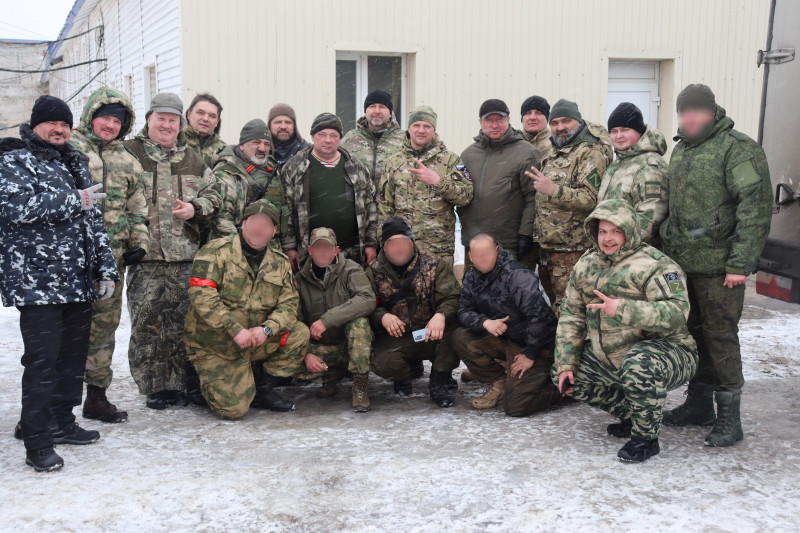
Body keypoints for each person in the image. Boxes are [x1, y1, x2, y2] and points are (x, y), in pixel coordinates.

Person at [0, 95, 118, 472]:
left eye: (65, 125)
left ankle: (63, 422)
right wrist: (74, 199)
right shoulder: (15, 160)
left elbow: (94, 220)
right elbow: (16, 208)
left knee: (71, 360)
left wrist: (106, 268)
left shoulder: (74, 162)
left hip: (77, 280)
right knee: (42, 362)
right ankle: (37, 441)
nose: (59, 130)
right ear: (35, 125)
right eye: (52, 123)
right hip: (37, 282)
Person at [660, 84, 772, 447]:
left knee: (721, 339)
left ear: (712, 112)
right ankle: (698, 405)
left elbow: (755, 209)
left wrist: (740, 263)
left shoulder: (737, 149)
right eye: (683, 111)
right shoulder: (681, 150)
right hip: (685, 267)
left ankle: (729, 419)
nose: (689, 117)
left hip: (721, 271)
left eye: (696, 110)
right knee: (694, 338)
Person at [554, 199, 698, 462]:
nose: (607, 238)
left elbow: (678, 312)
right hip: (612, 355)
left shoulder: (658, 265)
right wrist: (566, 362)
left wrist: (623, 309)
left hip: (671, 353)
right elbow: (571, 314)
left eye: (616, 231)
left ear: (629, 231)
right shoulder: (586, 264)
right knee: (563, 373)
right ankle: (634, 416)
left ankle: (646, 438)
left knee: (638, 364)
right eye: (602, 231)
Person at [124, 92, 221, 410]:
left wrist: (195, 208)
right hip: (146, 258)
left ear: (180, 124)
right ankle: (154, 386)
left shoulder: (192, 159)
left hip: (184, 257)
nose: (166, 125)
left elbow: (215, 195)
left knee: (181, 323)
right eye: (161, 118)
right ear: (149, 119)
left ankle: (179, 384)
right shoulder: (130, 153)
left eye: (172, 120)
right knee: (147, 323)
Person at [184, 200, 309, 419]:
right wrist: (233, 329)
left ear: (274, 231)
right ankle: (201, 377)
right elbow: (201, 296)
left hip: (254, 339)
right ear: (243, 224)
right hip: (217, 343)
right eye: (254, 222)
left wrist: (267, 329)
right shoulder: (215, 251)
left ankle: (261, 388)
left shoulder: (279, 262)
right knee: (233, 410)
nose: (259, 229)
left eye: (266, 225)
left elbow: (289, 305)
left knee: (298, 333)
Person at [69, 86, 151, 423]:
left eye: (117, 121)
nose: (110, 125)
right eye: (105, 118)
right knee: (63, 331)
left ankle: (96, 398)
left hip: (111, 263)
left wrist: (139, 241)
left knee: (103, 330)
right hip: (69, 260)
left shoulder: (128, 161)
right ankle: (46, 406)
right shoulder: (69, 148)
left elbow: (137, 209)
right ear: (91, 115)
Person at [452, 233, 561, 416]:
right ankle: (499, 379)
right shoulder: (472, 277)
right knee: (460, 336)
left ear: (497, 250)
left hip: (536, 345)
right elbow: (463, 311)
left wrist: (530, 355)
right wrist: (485, 322)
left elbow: (540, 318)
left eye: (487, 253)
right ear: (470, 256)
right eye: (477, 254)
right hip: (507, 339)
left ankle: (564, 387)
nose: (482, 258)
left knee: (516, 406)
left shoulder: (517, 276)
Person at [526, 99, 613, 315]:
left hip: (573, 250)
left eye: (566, 121)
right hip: (551, 248)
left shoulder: (590, 152)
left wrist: (553, 190)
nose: (560, 127)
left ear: (579, 122)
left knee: (570, 311)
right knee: (557, 307)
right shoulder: (558, 149)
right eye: (555, 123)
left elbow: (591, 199)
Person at [367, 217, 461, 407]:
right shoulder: (372, 272)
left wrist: (441, 315)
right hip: (398, 337)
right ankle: (404, 374)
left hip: (430, 332)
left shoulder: (434, 264)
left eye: (403, 241)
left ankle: (439, 380)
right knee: (381, 360)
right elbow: (365, 304)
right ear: (384, 247)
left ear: (411, 242)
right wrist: (382, 316)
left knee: (456, 333)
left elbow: (453, 297)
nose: (399, 248)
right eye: (392, 243)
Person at [295, 227, 376, 412]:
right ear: (310, 250)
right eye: (318, 248)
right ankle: (330, 373)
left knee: (359, 324)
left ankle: (360, 386)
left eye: (328, 248)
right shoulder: (300, 279)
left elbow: (367, 299)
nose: (323, 252)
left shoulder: (351, 269)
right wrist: (307, 353)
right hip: (321, 345)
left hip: (351, 344)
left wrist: (327, 320)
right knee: (287, 362)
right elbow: (295, 319)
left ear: (336, 250)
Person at [282, 112, 378, 269]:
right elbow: (286, 209)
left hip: (351, 253)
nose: (328, 140)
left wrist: (370, 243)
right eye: (322, 134)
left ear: (340, 139)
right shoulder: (295, 167)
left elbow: (370, 206)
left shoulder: (356, 166)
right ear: (312, 137)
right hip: (310, 253)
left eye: (333, 135)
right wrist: (289, 247)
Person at [379, 105, 473, 265]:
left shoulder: (452, 160)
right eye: (416, 125)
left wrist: (439, 182)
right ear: (409, 129)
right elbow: (384, 206)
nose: (421, 130)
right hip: (401, 250)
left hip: (438, 251)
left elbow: (466, 196)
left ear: (434, 130)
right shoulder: (394, 162)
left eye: (427, 126)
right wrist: (383, 242)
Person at [456, 99, 539, 267]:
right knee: (474, 284)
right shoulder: (467, 155)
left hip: (508, 246)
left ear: (508, 120)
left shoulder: (526, 153)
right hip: (475, 245)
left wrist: (526, 235)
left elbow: (534, 197)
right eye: (489, 120)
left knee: (512, 284)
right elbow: (460, 193)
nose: (494, 125)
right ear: (480, 122)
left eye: (499, 119)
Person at [598, 102, 669, 244]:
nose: (618, 136)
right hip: (613, 247)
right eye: (614, 131)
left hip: (633, 250)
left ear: (639, 132)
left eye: (625, 130)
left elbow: (650, 219)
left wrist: (619, 244)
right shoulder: (619, 162)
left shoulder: (649, 166)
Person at [209, 119, 284, 241]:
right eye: (256, 142)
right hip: (236, 245)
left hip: (271, 246)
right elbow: (222, 219)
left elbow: (283, 209)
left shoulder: (273, 169)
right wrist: (239, 247)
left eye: (266, 144)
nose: (262, 148)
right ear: (242, 145)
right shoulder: (227, 172)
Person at [341, 89, 405, 187]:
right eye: (372, 106)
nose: (377, 111)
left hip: (392, 196)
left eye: (382, 107)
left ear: (390, 113)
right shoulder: (350, 138)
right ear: (365, 112)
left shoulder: (405, 140)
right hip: (360, 196)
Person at [184, 93, 226, 167]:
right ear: (189, 115)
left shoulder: (223, 151)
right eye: (200, 113)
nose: (205, 119)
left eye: (212, 116)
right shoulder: (173, 143)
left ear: (217, 122)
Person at [268, 103, 308, 170]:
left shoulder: (307, 152)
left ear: (294, 126)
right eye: (278, 122)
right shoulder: (261, 152)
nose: (283, 127)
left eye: (288, 122)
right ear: (269, 125)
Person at [520, 95, 552, 159]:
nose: (532, 117)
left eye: (539, 113)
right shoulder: (512, 143)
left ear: (547, 118)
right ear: (522, 119)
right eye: (528, 113)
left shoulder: (556, 144)